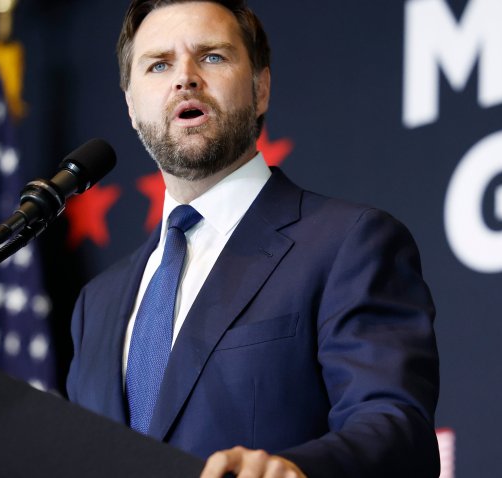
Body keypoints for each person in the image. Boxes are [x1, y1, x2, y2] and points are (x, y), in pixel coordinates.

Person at [66, 1, 440, 476]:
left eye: (212, 57)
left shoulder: (347, 243)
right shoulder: (94, 305)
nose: (185, 78)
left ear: (260, 89)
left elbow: (395, 429)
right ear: (131, 108)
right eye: (159, 64)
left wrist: (295, 471)